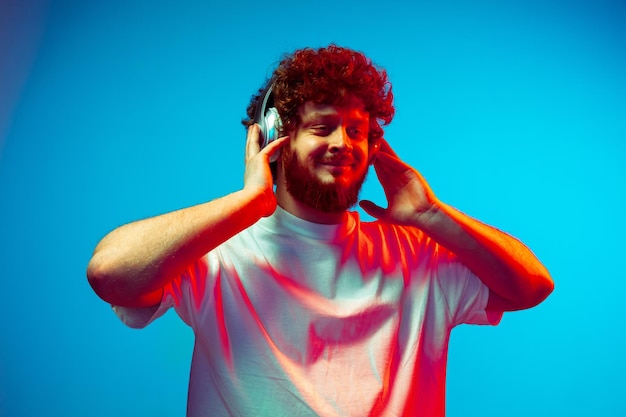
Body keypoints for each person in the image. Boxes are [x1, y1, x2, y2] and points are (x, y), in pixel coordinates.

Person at [87, 45, 553, 417]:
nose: (343, 145)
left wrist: (430, 214)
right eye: (323, 127)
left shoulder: (416, 253)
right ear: (275, 137)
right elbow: (110, 272)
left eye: (357, 131)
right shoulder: (219, 252)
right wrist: (247, 202)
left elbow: (531, 286)